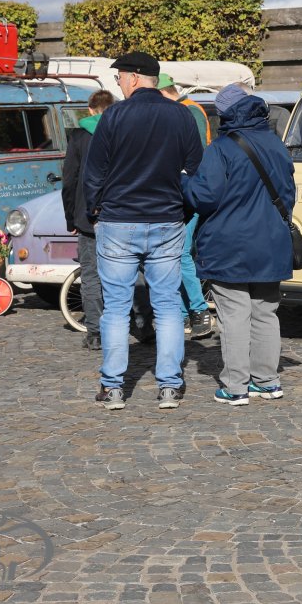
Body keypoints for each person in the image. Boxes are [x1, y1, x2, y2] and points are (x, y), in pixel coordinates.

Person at [83, 52, 203, 411]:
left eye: (119, 77)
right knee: (167, 306)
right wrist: (183, 210)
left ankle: (113, 388)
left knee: (116, 308)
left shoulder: (114, 115)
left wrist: (94, 211)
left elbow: (94, 172)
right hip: (166, 219)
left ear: (134, 77)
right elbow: (195, 170)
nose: (118, 83)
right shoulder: (181, 115)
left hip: (118, 220)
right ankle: (169, 386)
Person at [182, 83, 295, 406]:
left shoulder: (221, 147)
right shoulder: (276, 143)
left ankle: (235, 386)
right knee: (266, 313)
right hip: (271, 241)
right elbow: (289, 193)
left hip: (229, 243)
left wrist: (184, 181)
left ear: (226, 114)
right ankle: (268, 381)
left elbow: (204, 197)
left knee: (234, 314)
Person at [158, 72, 216, 340]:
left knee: (180, 253)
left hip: (189, 193)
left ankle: (198, 310)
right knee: (176, 254)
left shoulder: (189, 111)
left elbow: (195, 158)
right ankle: (184, 313)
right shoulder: (185, 110)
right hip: (180, 193)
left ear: (163, 92)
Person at [61, 88, 115, 350]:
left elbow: (69, 180)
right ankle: (142, 323)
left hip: (88, 216)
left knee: (91, 275)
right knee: (132, 270)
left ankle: (95, 332)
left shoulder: (79, 136)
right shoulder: (121, 132)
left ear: (90, 109)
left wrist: (70, 218)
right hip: (120, 214)